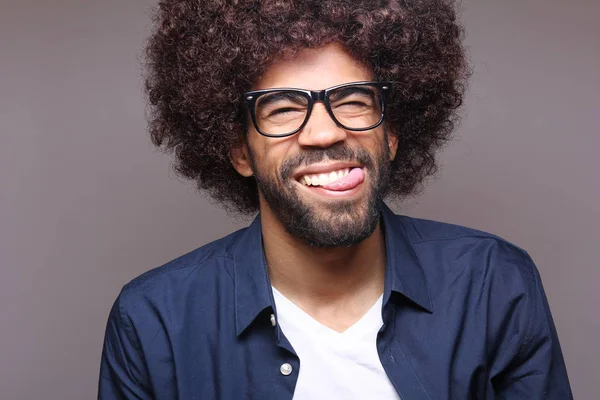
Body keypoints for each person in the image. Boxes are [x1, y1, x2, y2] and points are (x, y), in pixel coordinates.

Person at [98, 0, 572, 398]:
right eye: (282, 109)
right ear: (241, 150)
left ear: (391, 134)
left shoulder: (492, 283)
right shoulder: (154, 320)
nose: (324, 132)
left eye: (352, 100)